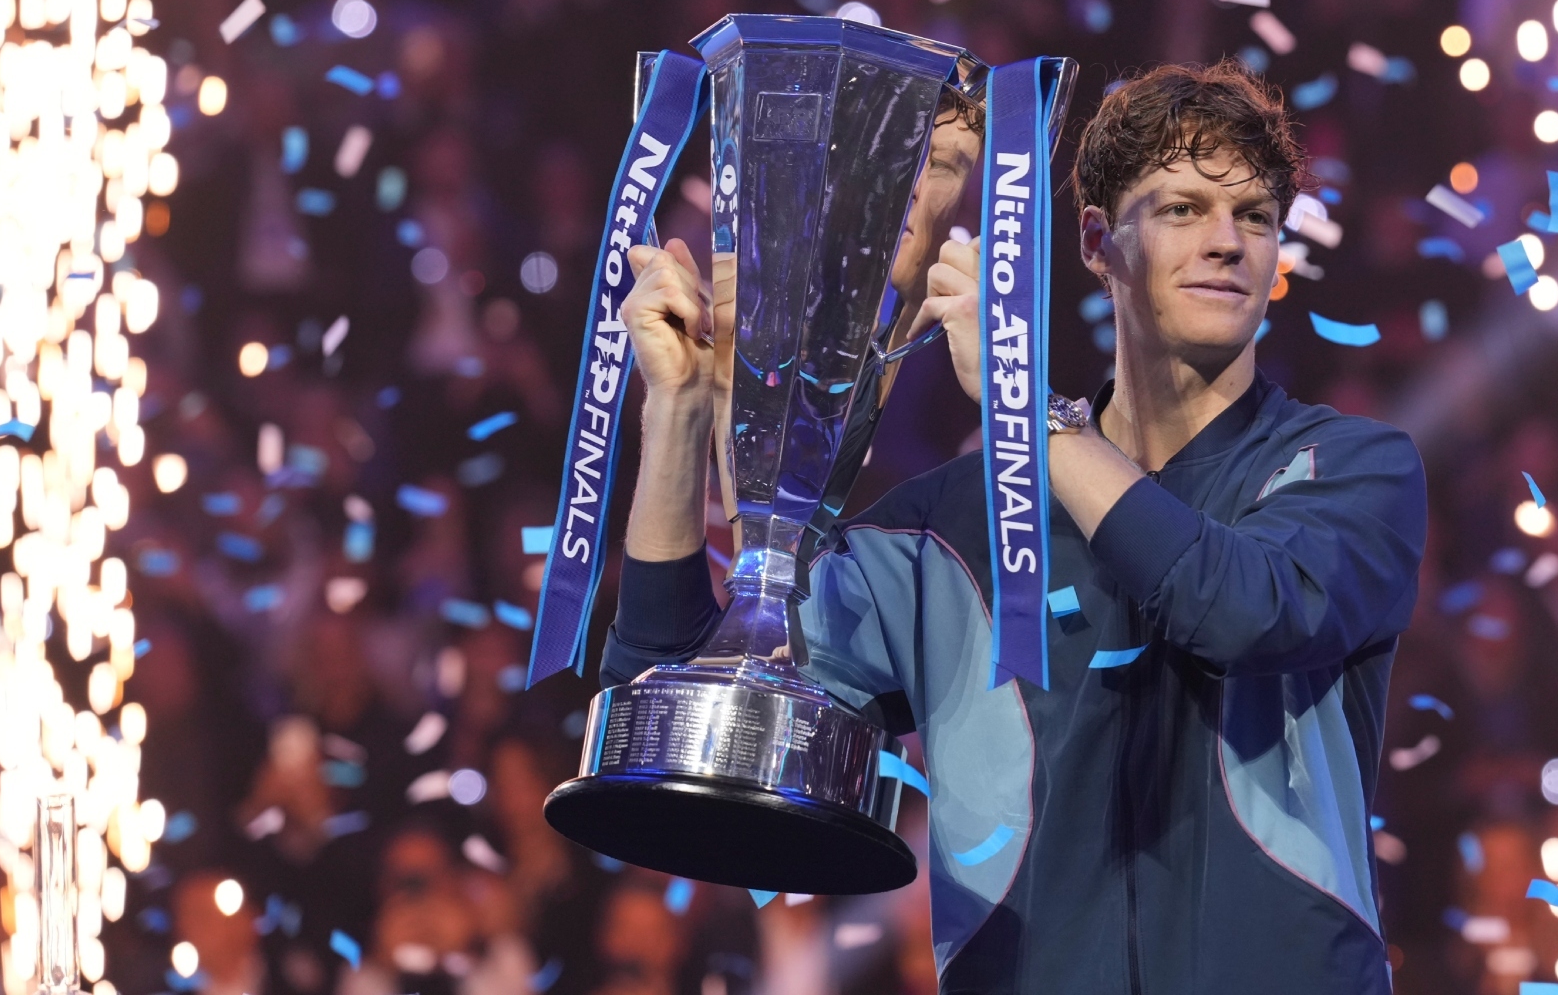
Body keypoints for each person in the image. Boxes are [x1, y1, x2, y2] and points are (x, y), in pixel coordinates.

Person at [602, 60, 1427, 992]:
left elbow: (1238, 610)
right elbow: (671, 704)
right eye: (1183, 209)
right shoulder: (952, 525)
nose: (1227, 242)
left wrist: (1028, 415)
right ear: (1094, 242)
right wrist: (673, 417)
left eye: (1255, 217)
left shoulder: (1349, 469)